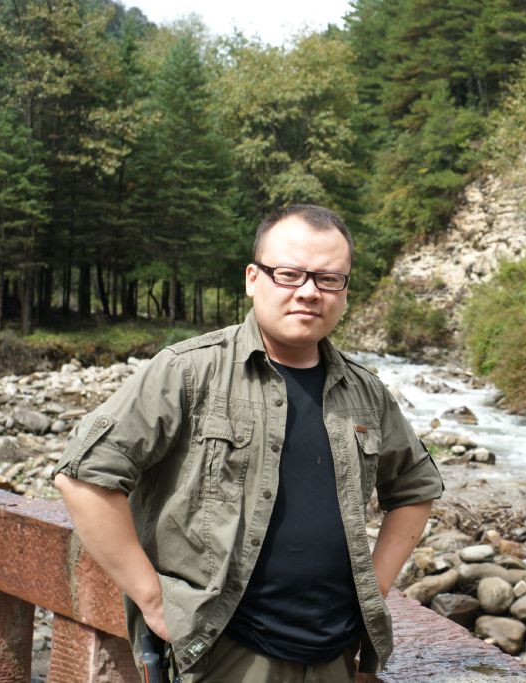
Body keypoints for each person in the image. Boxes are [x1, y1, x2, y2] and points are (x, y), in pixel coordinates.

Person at [54, 204, 443, 682]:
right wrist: (153, 601)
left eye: (328, 279)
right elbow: (84, 477)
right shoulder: (189, 371)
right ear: (252, 278)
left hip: (336, 655)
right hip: (225, 654)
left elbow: (415, 488)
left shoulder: (365, 391)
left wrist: (373, 590)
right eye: (289, 274)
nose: (309, 292)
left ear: (345, 291)